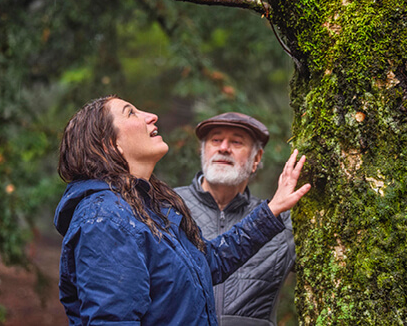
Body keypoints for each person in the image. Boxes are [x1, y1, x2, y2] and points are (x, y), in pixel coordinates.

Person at [53, 95, 311, 325]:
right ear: (111, 145)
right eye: (131, 112)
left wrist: (273, 209)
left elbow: (209, 263)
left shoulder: (151, 208)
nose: (151, 116)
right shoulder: (105, 219)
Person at [175, 112, 296, 326]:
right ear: (202, 152)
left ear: (256, 159)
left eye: (236, 142)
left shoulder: (280, 219)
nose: (224, 147)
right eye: (215, 140)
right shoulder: (168, 207)